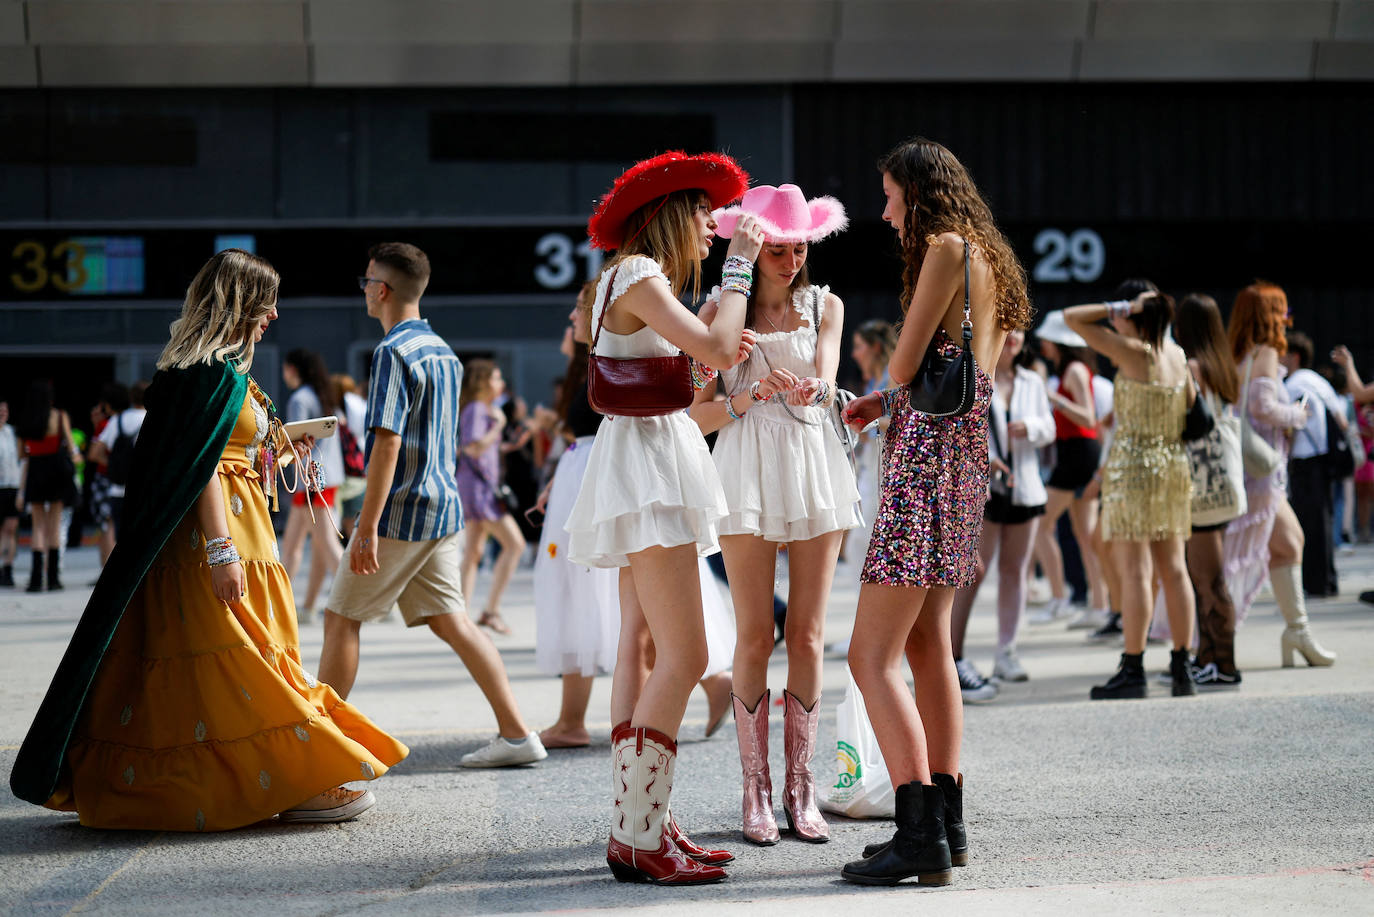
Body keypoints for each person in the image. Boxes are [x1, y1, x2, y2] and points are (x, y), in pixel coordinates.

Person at [9, 249, 406, 829]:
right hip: (209, 548)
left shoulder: (215, 372)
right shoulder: (205, 375)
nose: (272, 314)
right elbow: (204, 471)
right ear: (238, 301)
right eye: (265, 301)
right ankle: (293, 780)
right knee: (237, 667)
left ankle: (268, 779)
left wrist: (278, 445)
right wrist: (221, 552)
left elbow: (220, 453)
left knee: (226, 670)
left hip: (240, 541)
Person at [839, 137, 1028, 887]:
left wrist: (886, 387)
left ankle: (916, 831)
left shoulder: (944, 246)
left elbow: (906, 361)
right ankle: (947, 824)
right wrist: (883, 403)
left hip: (922, 464)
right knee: (928, 648)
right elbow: (971, 366)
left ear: (919, 192)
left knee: (869, 655)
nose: (885, 213)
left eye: (890, 195)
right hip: (961, 462)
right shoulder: (982, 252)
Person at [564, 150, 753, 885]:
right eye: (705, 214)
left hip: (644, 460)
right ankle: (640, 832)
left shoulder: (628, 278)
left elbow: (691, 364)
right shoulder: (640, 274)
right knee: (685, 654)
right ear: (677, 213)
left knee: (660, 650)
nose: (714, 225)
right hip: (649, 468)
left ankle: (641, 825)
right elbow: (716, 345)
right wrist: (740, 268)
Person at [316, 243, 547, 768]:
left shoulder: (391, 352)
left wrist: (367, 523)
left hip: (402, 510)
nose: (365, 290)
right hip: (443, 508)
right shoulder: (443, 351)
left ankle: (316, 746)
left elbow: (387, 441)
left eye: (367, 281)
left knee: (340, 618)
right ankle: (517, 736)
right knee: (453, 621)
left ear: (382, 290)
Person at [689, 183, 859, 847]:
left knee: (810, 634)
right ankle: (755, 787)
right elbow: (693, 415)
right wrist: (744, 393)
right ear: (754, 246)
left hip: (814, 463)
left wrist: (817, 387)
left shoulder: (826, 303)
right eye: (779, 248)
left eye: (799, 248)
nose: (790, 260)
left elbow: (829, 377)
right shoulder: (720, 311)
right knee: (755, 634)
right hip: (744, 468)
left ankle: (801, 786)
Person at [534, 285, 733, 750]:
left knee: (643, 633)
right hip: (619, 477)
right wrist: (737, 269)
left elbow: (692, 375)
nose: (571, 318)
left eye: (577, 310)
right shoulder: (634, 292)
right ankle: (636, 802)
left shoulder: (625, 318)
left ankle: (634, 800)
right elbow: (706, 362)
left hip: (624, 480)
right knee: (637, 632)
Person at [1066, 292, 1198, 699]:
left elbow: (1072, 317)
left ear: (1139, 315)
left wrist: (1115, 308)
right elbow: (1191, 406)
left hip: (1135, 466)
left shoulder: (1133, 350)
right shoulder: (1177, 356)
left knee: (1137, 572)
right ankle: (1182, 667)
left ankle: (1134, 666)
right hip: (1173, 464)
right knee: (1174, 569)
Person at [1224, 282, 1335, 667]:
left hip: (1254, 470)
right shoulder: (1266, 352)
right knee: (1255, 551)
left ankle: (1296, 633)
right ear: (1270, 316)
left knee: (1285, 544)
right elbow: (1262, 405)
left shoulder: (1239, 354)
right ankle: (1215, 640)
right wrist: (1298, 416)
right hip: (1262, 472)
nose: (1287, 320)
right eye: (1282, 311)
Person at [949, 328, 1055, 696]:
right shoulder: (977, 374)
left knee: (1016, 570)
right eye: (1005, 330)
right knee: (974, 571)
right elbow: (966, 428)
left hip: (1025, 486)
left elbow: (1049, 427)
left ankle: (1006, 652)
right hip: (987, 490)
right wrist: (989, 459)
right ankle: (953, 654)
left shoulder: (1032, 381)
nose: (1013, 337)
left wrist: (1033, 428)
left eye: (1018, 331)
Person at [1174, 293, 1245, 688]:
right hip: (1223, 484)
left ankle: (1225, 662)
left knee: (1209, 580)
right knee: (1208, 577)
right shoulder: (1224, 368)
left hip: (1200, 486)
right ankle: (1209, 656)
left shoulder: (1193, 368)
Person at [1028, 310, 1110, 626]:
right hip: (1076, 452)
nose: (1043, 346)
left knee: (1041, 525)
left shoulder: (1073, 370)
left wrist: (1052, 398)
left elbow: (1088, 417)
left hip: (1078, 452)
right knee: (1084, 533)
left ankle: (1061, 597)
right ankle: (1099, 605)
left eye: (1047, 341)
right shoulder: (1074, 369)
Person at [457, 360, 528, 635]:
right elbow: (473, 449)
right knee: (515, 544)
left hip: (477, 486)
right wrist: (498, 427)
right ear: (485, 382)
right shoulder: (479, 409)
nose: (501, 384)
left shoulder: (482, 408)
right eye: (497, 379)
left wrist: (508, 443)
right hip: (479, 489)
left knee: (474, 552)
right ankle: (490, 610)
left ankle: (462, 613)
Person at [280, 349, 346, 622]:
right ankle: (300, 607)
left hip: (310, 481)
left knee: (324, 545)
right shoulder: (326, 396)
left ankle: (354, 598)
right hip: (327, 477)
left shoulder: (299, 399)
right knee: (303, 544)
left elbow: (296, 443)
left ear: (293, 369)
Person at [1281, 331, 1345, 597]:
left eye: (1283, 353)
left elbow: (1295, 424)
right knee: (1325, 520)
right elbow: (1342, 420)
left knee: (1308, 524)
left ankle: (1315, 583)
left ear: (1294, 356)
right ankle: (1328, 580)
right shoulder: (1319, 382)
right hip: (1325, 459)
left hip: (1305, 462)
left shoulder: (1295, 383)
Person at [16, 380, 80, 593]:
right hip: (57, 472)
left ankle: (36, 579)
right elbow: (71, 447)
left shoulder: (25, 420)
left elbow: (21, 454)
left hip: (35, 470)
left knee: (37, 526)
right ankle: (53, 579)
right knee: (54, 525)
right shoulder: (59, 417)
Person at [89, 380, 148, 562]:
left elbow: (94, 453)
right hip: (144, 489)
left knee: (118, 536)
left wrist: (115, 464)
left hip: (118, 489)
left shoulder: (117, 420)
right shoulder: (155, 418)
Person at [0, 400, 22, 587]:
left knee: (10, 529)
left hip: (12, 487)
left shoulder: (13, 433)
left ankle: (7, 568)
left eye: (5, 409)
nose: (2, 412)